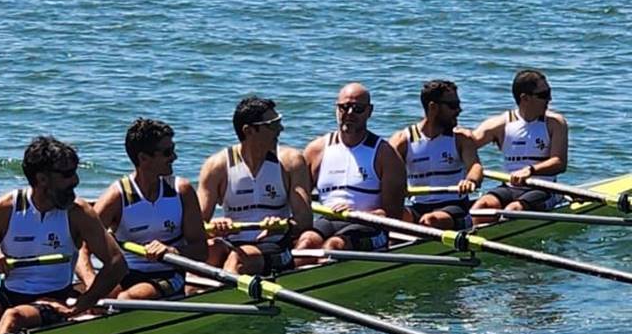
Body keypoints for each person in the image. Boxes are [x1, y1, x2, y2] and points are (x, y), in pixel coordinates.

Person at [0, 136, 127, 334]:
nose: (75, 180)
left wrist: (81, 305)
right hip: (9, 294)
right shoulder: (4, 208)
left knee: (14, 317)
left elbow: (116, 264)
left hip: (55, 299)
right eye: (67, 174)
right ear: (42, 178)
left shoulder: (78, 213)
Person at [78, 118, 206, 299]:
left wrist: (172, 251)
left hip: (168, 275)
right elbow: (81, 247)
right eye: (167, 152)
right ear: (144, 158)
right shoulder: (117, 196)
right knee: (93, 300)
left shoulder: (181, 191)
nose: (174, 157)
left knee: (127, 298)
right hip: (125, 274)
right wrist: (91, 282)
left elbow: (201, 250)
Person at [198, 96, 322, 275]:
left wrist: (282, 225)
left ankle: (221, 295)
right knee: (209, 250)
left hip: (275, 245)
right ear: (249, 131)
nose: (280, 129)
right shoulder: (216, 166)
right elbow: (197, 227)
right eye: (272, 124)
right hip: (232, 242)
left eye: (279, 121)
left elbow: (304, 220)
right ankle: (196, 295)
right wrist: (215, 227)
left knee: (239, 258)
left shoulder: (290, 162)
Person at [305, 83, 406, 251]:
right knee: (306, 242)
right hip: (329, 220)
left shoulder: (385, 155)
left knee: (334, 245)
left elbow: (393, 216)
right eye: (344, 107)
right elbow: (297, 203)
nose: (350, 113)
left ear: (369, 111)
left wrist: (359, 213)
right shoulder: (315, 150)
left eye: (358, 109)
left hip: (371, 226)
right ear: (336, 109)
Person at [389, 79, 484, 230]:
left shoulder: (461, 139)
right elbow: (384, 172)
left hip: (454, 206)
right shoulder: (403, 140)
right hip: (417, 206)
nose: (459, 110)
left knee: (430, 220)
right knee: (387, 216)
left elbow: (475, 166)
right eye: (453, 106)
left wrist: (470, 180)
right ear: (433, 107)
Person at [471, 69, 569, 213]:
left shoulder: (555, 123)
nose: (550, 99)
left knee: (513, 209)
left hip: (544, 187)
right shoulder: (500, 124)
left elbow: (559, 163)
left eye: (549, 92)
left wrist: (530, 170)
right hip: (510, 186)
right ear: (525, 98)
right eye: (544, 95)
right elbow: (465, 146)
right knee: (480, 208)